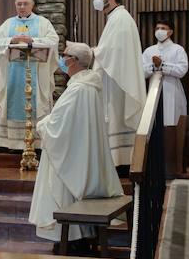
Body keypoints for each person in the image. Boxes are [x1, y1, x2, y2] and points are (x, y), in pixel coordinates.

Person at [28, 42, 124, 247]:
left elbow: (58, 125)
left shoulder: (78, 89)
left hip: (69, 153)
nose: (62, 59)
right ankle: (79, 236)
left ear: (73, 61)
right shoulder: (88, 85)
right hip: (78, 150)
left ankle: (70, 238)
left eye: (64, 56)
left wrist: (43, 124)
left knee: (64, 193)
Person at [0, 0, 59, 150]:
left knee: (38, 104)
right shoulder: (8, 24)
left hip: (37, 73)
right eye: (19, 4)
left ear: (32, 5)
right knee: (13, 101)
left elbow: (53, 41)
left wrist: (33, 40)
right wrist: (11, 40)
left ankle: (38, 144)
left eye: (25, 3)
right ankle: (15, 144)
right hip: (13, 77)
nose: (22, 7)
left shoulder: (43, 23)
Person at [92, 0, 145, 169]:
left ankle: (120, 163)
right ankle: (117, 161)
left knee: (117, 119)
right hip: (115, 78)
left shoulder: (121, 19)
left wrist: (94, 52)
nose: (97, 0)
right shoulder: (117, 17)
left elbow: (114, 51)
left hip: (118, 82)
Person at [141, 19, 189, 127]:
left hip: (171, 90)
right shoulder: (149, 51)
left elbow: (182, 70)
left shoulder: (178, 50)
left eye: (163, 28)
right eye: (157, 28)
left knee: (170, 125)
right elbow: (141, 72)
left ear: (170, 32)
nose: (159, 31)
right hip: (153, 91)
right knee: (153, 124)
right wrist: (154, 67)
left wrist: (162, 65)